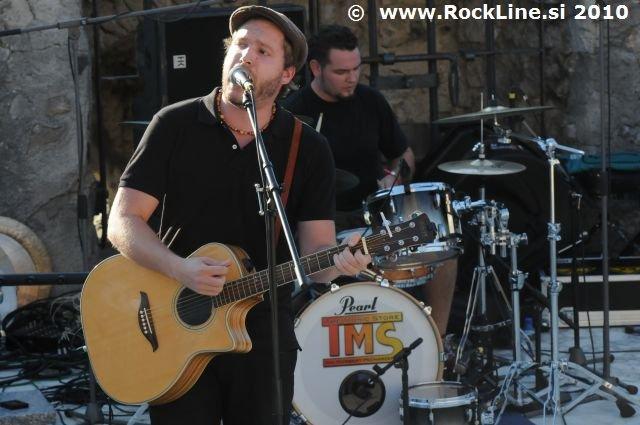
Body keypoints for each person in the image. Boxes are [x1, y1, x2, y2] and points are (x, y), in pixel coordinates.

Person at [107, 6, 370, 425]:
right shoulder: (174, 125)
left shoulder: (306, 147)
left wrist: (341, 262)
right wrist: (179, 268)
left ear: (286, 75)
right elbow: (122, 221)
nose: (246, 55)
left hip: (262, 337)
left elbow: (315, 256)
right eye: (241, 44)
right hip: (174, 327)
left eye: (263, 51)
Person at [284, 25, 455, 337]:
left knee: (442, 251)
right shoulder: (295, 112)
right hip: (323, 223)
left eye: (356, 69)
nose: (352, 78)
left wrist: (394, 176)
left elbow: (403, 154)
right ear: (316, 68)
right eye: (341, 72)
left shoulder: (370, 101)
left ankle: (439, 344)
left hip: (374, 215)